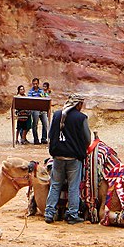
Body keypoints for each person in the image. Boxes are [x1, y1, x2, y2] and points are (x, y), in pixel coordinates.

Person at [45, 93, 91, 225]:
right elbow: (87, 139)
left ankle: (49, 213)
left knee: (55, 184)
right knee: (73, 187)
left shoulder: (57, 114)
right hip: (73, 158)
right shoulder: (81, 118)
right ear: (79, 104)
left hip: (58, 157)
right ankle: (72, 214)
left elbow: (50, 135)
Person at [27, 77, 49, 145]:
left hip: (42, 110)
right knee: (35, 124)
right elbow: (30, 100)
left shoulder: (42, 91)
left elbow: (46, 98)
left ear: (38, 84)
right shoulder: (30, 92)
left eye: (36, 83)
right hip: (35, 110)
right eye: (34, 84)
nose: (35, 85)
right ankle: (36, 139)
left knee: (45, 124)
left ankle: (44, 138)